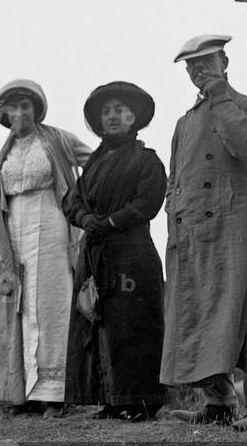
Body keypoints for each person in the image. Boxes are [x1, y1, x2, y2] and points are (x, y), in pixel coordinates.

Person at [162, 34, 247, 430]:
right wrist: (174, 228)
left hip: (242, 234)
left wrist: (220, 96)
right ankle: (218, 405)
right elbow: (174, 181)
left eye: (206, 63)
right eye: (192, 67)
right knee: (201, 313)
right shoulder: (184, 122)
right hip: (195, 236)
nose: (199, 71)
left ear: (225, 62)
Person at [0, 79, 91, 418]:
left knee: (51, 304)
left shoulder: (56, 140)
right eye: (12, 108)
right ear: (3, 114)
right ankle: (22, 391)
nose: (19, 113)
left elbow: (96, 162)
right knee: (18, 306)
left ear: (36, 109)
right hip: (12, 229)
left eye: (25, 106)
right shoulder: (4, 154)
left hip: (51, 224)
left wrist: (87, 203)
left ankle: (55, 394)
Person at [63, 82, 168, 420]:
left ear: (134, 117)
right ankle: (110, 397)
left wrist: (107, 223)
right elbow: (72, 200)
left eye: (121, 110)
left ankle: (140, 401)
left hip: (131, 255)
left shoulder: (147, 160)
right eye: (107, 112)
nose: (113, 117)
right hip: (94, 253)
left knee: (132, 325)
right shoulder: (93, 162)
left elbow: (146, 204)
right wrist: (85, 219)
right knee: (97, 323)